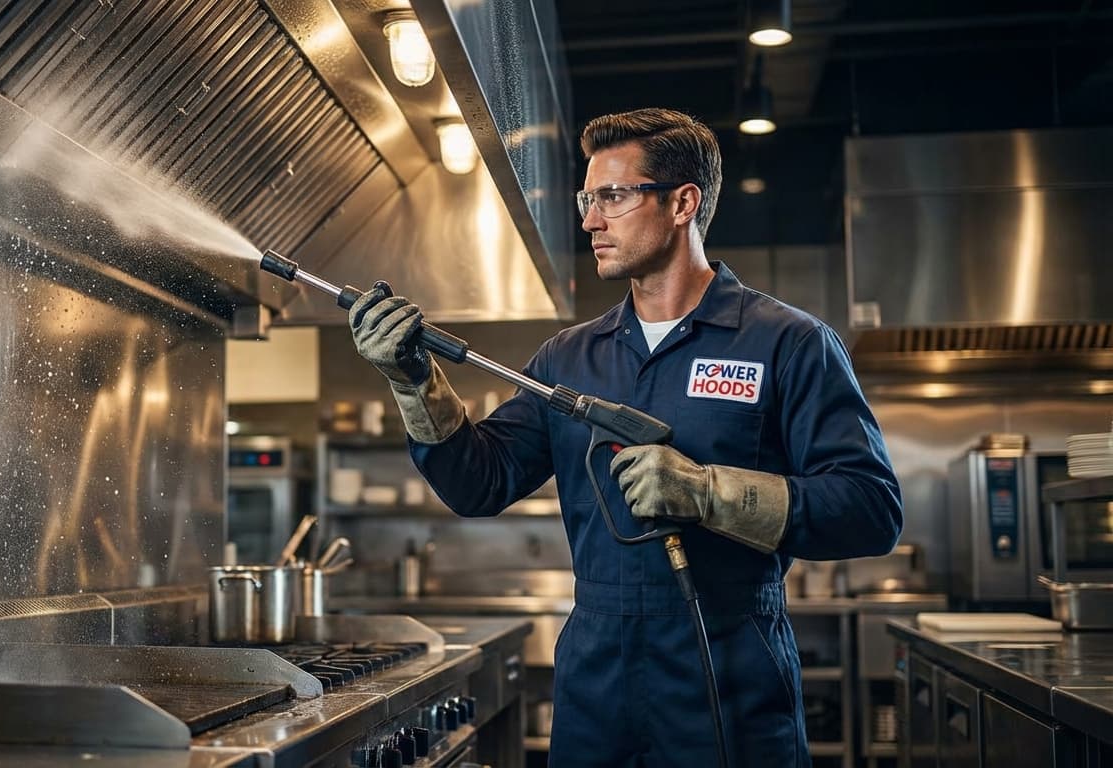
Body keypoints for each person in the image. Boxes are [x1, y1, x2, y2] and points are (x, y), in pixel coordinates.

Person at [347, 108, 902, 767]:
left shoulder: (788, 342)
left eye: (613, 196)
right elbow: (479, 482)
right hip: (597, 695)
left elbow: (871, 510)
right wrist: (414, 380)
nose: (590, 221)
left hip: (729, 688)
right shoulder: (569, 358)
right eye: (588, 198)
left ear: (681, 203)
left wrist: (708, 492)